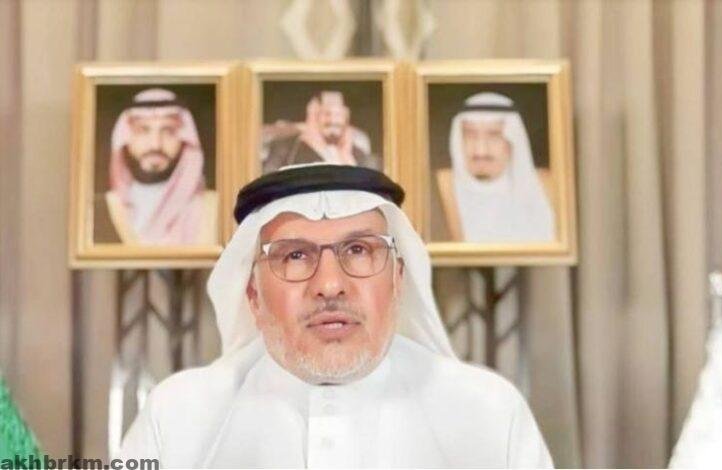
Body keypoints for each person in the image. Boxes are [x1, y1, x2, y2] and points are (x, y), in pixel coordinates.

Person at [119, 163, 553, 468]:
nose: (329, 284)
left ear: (398, 279)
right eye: (294, 256)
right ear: (252, 293)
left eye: (359, 250)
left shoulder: (489, 411)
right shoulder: (177, 414)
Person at [94, 88, 218, 245]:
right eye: (143, 130)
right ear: (125, 137)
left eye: (168, 131)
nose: (155, 144)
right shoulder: (99, 209)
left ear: (185, 139)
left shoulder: (214, 208)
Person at [436, 92, 555, 242]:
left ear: (513, 139)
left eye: (494, 135)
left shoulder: (547, 185)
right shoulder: (442, 187)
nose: (481, 150)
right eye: (470, 135)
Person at [262, 91, 381, 173]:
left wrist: (346, 157)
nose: (334, 121)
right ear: (313, 114)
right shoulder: (286, 150)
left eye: (339, 114)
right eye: (327, 113)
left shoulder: (358, 153)